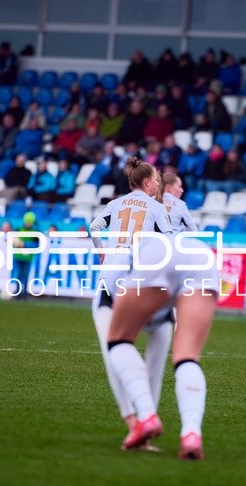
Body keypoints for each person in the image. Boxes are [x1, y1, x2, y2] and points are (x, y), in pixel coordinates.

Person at [106, 232, 219, 459]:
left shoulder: (115, 269)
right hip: (200, 254)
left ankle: (147, 417)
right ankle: (191, 434)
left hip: (155, 256)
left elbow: (117, 299)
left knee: (119, 339)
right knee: (187, 357)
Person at [89, 158, 174, 446]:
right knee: (155, 359)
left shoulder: (116, 205)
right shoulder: (156, 207)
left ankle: (133, 421)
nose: (159, 184)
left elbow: (93, 228)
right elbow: (171, 241)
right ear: (147, 182)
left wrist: (102, 253)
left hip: (110, 278)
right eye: (157, 180)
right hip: (143, 279)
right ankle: (148, 420)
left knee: (113, 351)